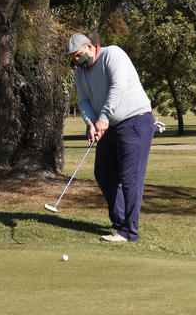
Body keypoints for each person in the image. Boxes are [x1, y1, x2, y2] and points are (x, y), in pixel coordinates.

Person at [66, 31, 155, 243]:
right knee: (104, 173)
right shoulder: (81, 72)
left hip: (135, 120)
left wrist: (103, 118)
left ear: (89, 47)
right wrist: (90, 124)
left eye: (78, 55)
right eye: (72, 59)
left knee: (130, 178)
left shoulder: (112, 55)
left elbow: (118, 88)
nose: (77, 61)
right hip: (109, 126)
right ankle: (120, 222)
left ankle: (129, 232)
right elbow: (84, 102)